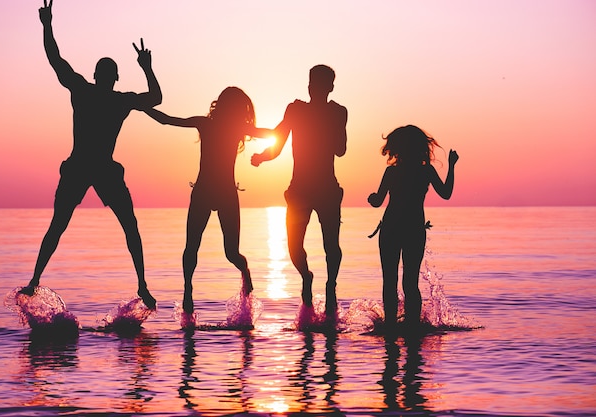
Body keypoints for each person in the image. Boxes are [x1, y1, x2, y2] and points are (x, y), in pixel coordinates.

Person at [20, 0, 162, 310]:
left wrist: (47, 26)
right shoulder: (102, 96)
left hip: (97, 169)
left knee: (125, 225)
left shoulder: (96, 94)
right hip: (83, 167)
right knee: (63, 225)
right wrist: (147, 68)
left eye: (107, 74)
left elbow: (56, 60)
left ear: (104, 76)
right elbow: (56, 61)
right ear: (103, 76)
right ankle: (34, 281)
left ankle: (141, 285)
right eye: (105, 73)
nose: (106, 77)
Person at [144, 87, 273, 315]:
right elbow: (167, 120)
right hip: (203, 191)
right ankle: (187, 291)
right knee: (192, 247)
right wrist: (141, 106)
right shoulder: (205, 124)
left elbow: (272, 133)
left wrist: (284, 133)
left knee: (231, 253)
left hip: (225, 193)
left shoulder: (238, 128)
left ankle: (245, 272)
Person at [252, 65, 348, 318]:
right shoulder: (295, 110)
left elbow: (341, 149)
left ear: (329, 87)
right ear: (309, 86)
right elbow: (278, 143)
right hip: (299, 190)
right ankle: (306, 277)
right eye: (312, 83)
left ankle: (331, 287)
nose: (314, 88)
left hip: (327, 188)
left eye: (320, 84)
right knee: (294, 246)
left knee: (331, 246)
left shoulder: (338, 112)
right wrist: (262, 157)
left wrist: (330, 124)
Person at [367, 125, 458, 330]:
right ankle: (412, 328)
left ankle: (390, 327)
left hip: (390, 228)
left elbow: (378, 200)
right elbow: (446, 193)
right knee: (410, 283)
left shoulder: (392, 172)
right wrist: (452, 166)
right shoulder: (425, 170)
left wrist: (372, 198)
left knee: (389, 282)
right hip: (414, 229)